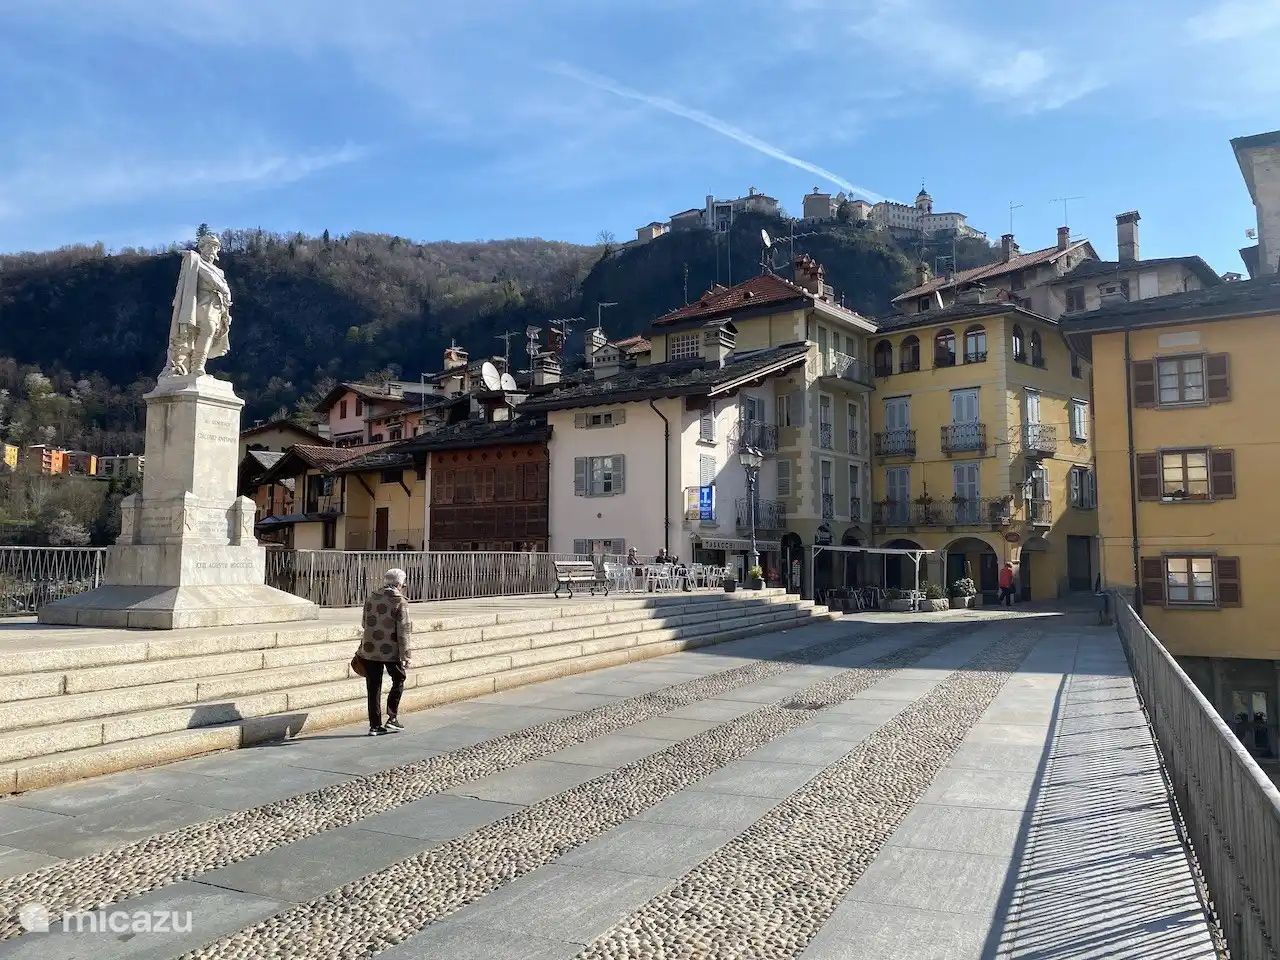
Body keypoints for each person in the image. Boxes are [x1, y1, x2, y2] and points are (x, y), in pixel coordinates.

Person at [358, 568, 413, 736]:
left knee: (373, 686)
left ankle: (375, 726)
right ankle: (392, 717)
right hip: (390, 650)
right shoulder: (399, 601)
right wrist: (406, 656)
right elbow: (404, 631)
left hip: (370, 648)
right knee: (399, 678)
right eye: (403, 583)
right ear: (399, 583)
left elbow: (364, 622)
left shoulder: (371, 597)